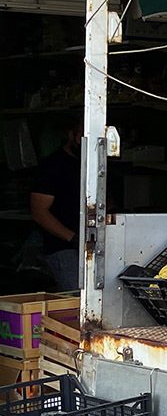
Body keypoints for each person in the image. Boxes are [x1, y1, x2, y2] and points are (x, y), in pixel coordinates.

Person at [30, 120, 83, 291]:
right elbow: (39, 211)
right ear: (71, 135)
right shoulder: (52, 166)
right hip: (63, 248)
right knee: (78, 301)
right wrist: (73, 238)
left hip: (92, 245)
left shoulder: (90, 164)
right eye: (83, 136)